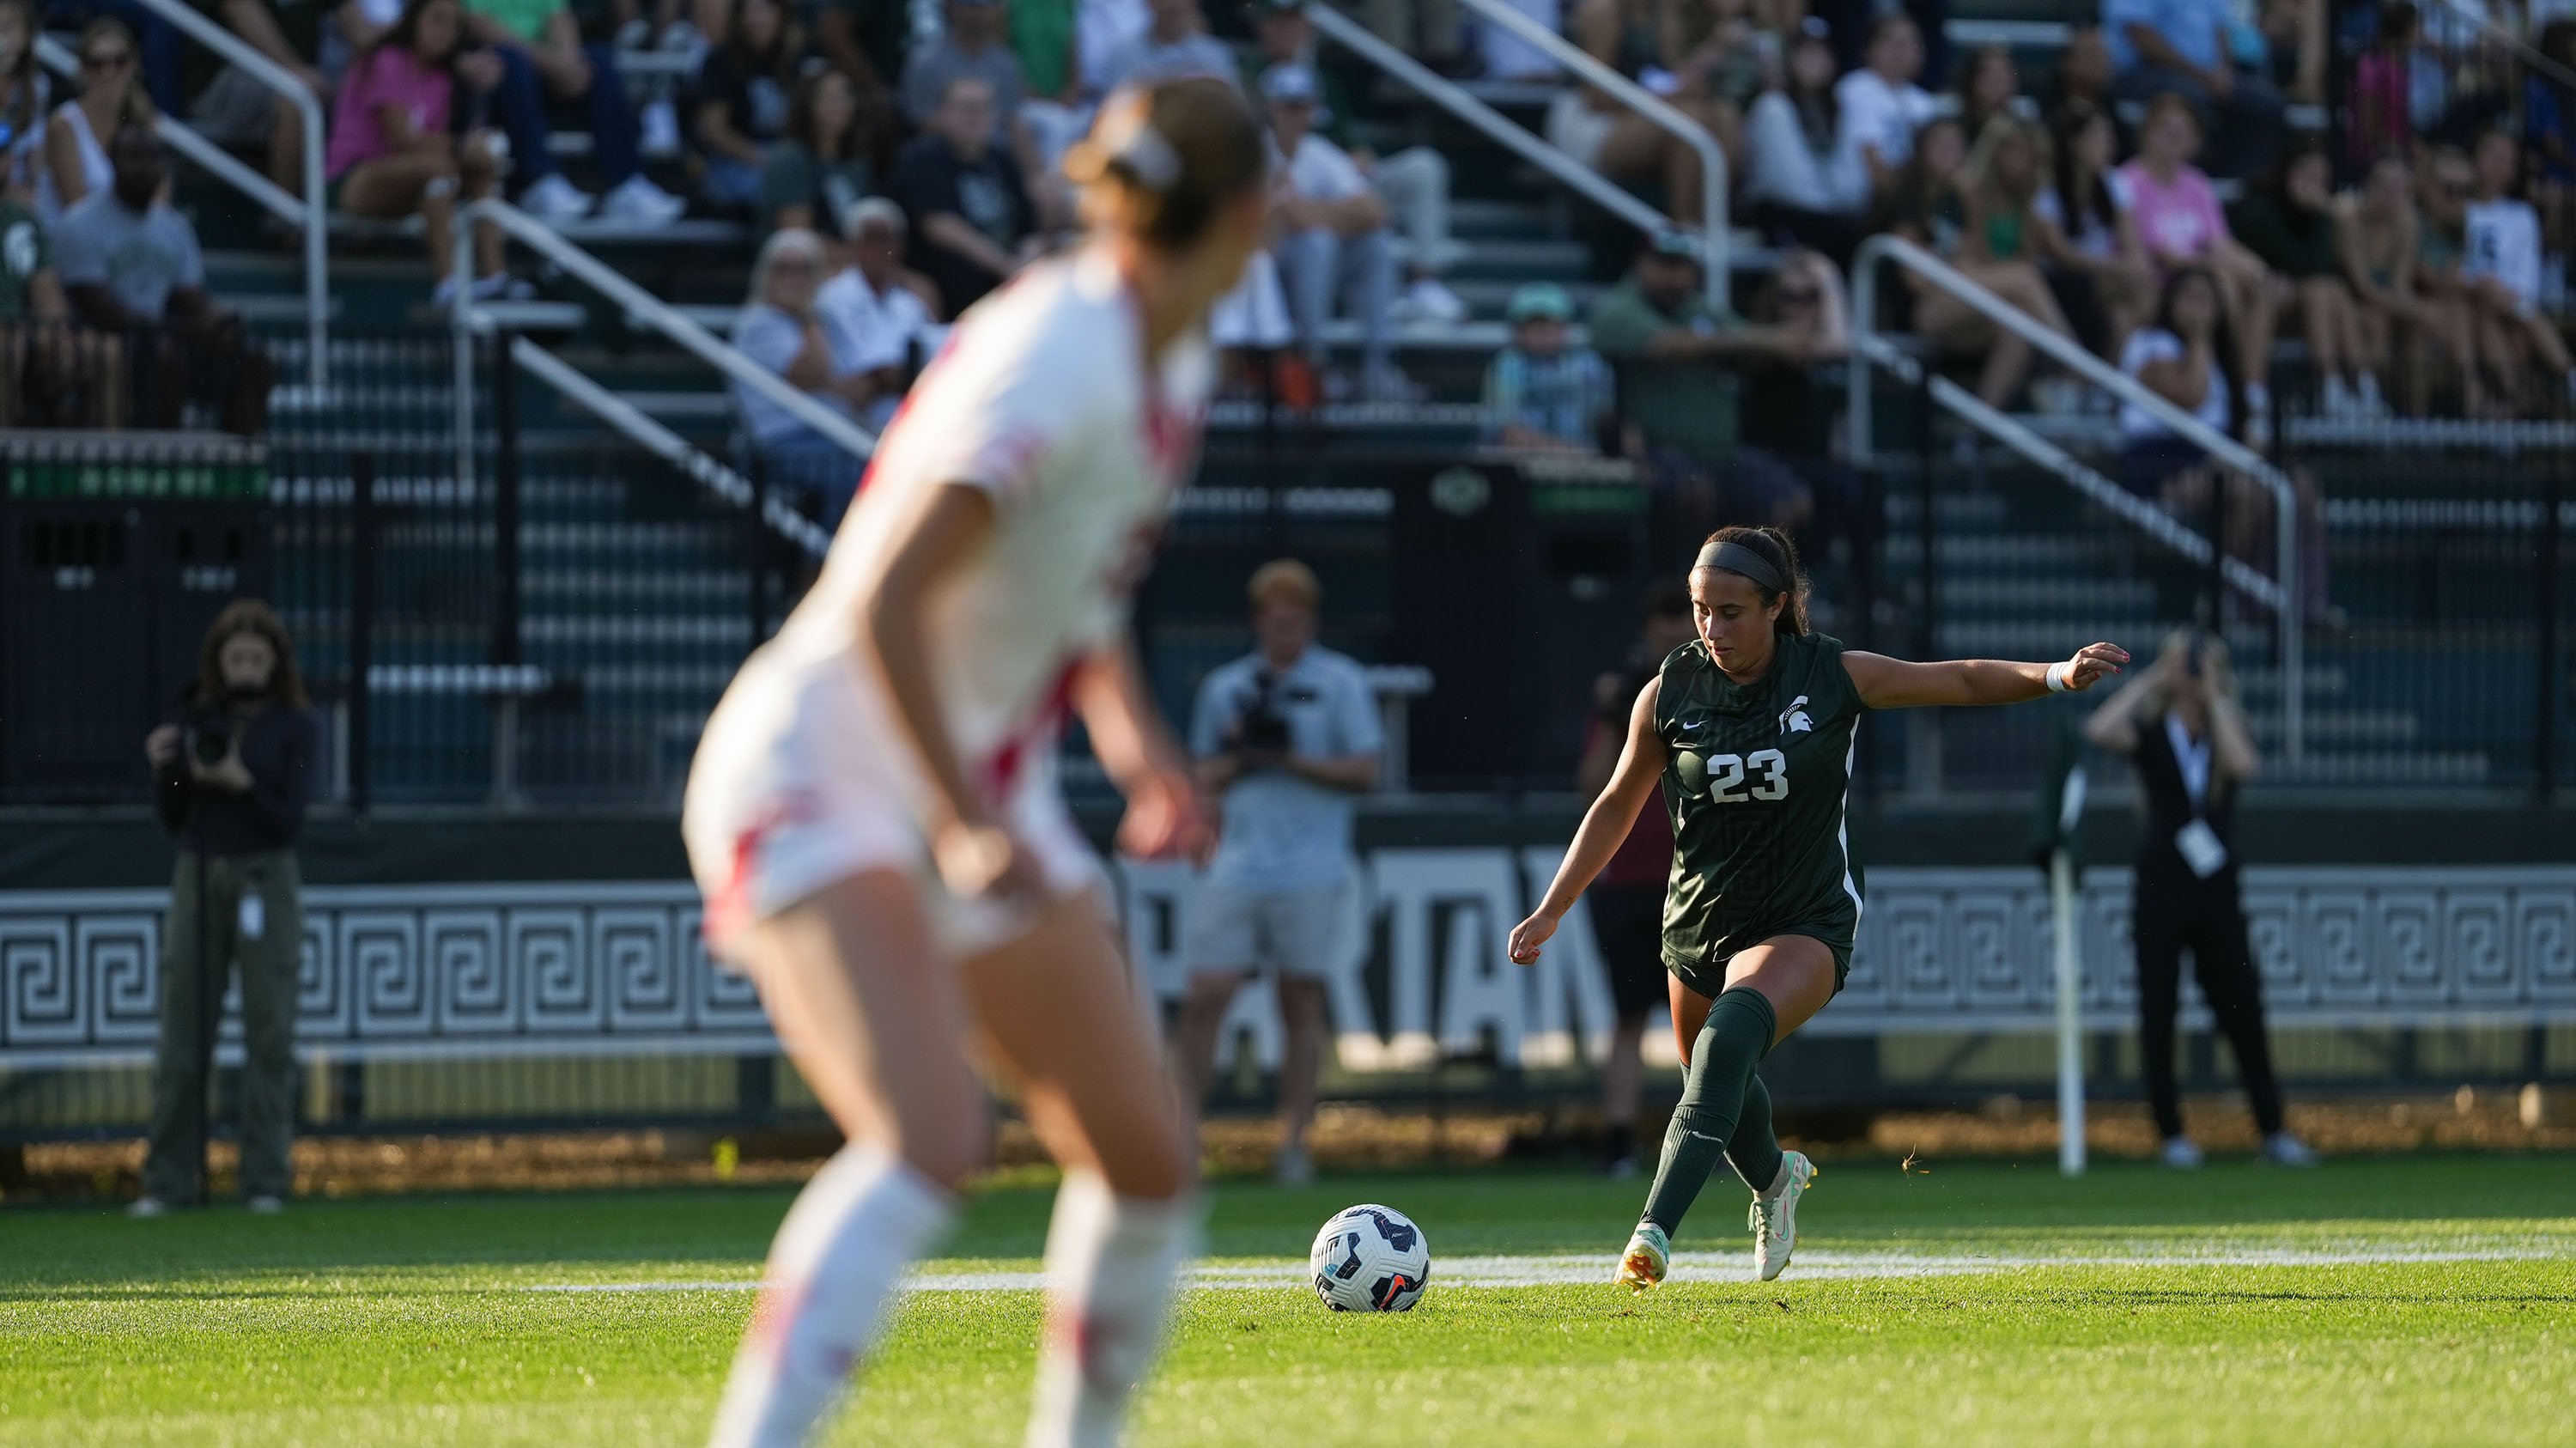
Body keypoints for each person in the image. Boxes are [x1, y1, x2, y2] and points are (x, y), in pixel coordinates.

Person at [682, 76, 1264, 1448]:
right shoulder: (1057, 350)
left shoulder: (1167, 356)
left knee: (1144, 1155)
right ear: (1253, 215)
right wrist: (959, 821)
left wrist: (1141, 754)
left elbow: (1080, 584)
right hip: (822, 762)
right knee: (931, 1135)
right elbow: (887, 596)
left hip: (965, 779)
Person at [1510, 526, 2127, 1287]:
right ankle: (1777, 1181)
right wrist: (1553, 907)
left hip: (1804, 914)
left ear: (1776, 608)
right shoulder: (1669, 691)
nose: (1713, 628)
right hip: (1700, 920)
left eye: (1732, 612)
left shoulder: (1829, 673)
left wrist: (2056, 675)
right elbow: (1614, 803)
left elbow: (1959, 679)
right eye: (1703, 610)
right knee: (1716, 1079)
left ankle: (1652, 1233)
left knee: (1730, 1038)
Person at [1172, 559, 1383, 1187]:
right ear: (1258, 622)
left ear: (1310, 622)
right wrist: (1242, 754)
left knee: (1301, 1000)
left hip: (1313, 867)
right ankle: (1181, 1138)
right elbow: (1199, 776)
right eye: (1274, 620)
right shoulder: (1227, 687)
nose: (1284, 631)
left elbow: (1366, 771)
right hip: (1236, 863)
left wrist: (1292, 758)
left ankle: (1293, 1144)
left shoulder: (1341, 682)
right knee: (1207, 993)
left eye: (1295, 621)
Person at [2082, 630, 2316, 1171]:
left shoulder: (2221, 725)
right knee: (2158, 1009)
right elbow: (2100, 729)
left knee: (2242, 1007)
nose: (2187, 670)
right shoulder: (2153, 729)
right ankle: (2171, 1134)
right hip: (2161, 887)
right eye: (2182, 662)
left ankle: (2272, 1129)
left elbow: (2245, 766)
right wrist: (2149, 679)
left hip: (2216, 891)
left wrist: (2212, 693)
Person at [130, 600, 319, 1219]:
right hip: (199, 870)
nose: (245, 667)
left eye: (257, 657)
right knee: (182, 1031)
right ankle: (169, 1182)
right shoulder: (194, 716)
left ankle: (264, 1179)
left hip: (266, 876)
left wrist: (243, 782)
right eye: (235, 656)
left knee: (270, 1033)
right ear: (219, 660)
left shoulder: (293, 726)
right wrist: (168, 773)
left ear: (274, 663)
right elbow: (174, 817)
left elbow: (288, 819)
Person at [1573, 581, 1698, 1177]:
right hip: (1628, 881)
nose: (1673, 636)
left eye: (1684, 623)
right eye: (1664, 624)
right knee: (1628, 1017)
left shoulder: (1715, 690)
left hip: (1699, 879)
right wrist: (1611, 713)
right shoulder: (1633, 695)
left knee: (1707, 1019)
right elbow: (1595, 785)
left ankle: (1715, 1133)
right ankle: (1619, 1139)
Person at [1588, 229, 1814, 547]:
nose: (1673, 275)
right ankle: (1684, 586)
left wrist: (1741, 340)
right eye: (1664, 264)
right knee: (1695, 490)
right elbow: (1668, 345)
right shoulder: (1619, 307)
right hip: (1653, 451)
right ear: (1641, 264)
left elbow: (1789, 346)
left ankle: (1765, 586)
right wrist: (1747, 339)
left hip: (1720, 452)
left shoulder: (1697, 308)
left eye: (1681, 265)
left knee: (1791, 499)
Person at [1244, 0, 1460, 321]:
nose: (1289, 30)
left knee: (1422, 168)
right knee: (1323, 236)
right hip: (1282, 184)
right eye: (1279, 22)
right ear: (1263, 27)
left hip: (1337, 183)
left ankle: (1424, 282)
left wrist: (1357, 159)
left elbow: (1354, 147)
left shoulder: (1324, 80)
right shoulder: (1249, 76)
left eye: (1295, 22)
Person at [57, 126, 275, 436]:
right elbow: (93, 304)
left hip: (165, 333)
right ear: (112, 161)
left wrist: (219, 320)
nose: (146, 168)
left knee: (252, 358)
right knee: (162, 353)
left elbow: (189, 298)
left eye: (154, 158)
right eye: (135, 158)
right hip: (108, 341)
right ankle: (166, 455)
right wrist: (161, 327)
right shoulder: (81, 222)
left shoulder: (174, 226)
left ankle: (237, 461)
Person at [327, 0, 510, 306]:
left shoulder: (442, 78)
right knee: (441, 167)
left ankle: (496, 278)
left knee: (479, 168)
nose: (445, 32)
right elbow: (402, 138)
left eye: (453, 26)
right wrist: (463, 146)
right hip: (351, 180)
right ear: (414, 19)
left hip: (413, 178)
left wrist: (475, 150)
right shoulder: (386, 59)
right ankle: (448, 282)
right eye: (437, 20)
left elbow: (432, 142)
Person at [2120, 94, 2281, 437]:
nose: (2174, 138)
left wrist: (2257, 269)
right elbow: (2164, 254)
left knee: (2259, 288)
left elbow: (2221, 243)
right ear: (2147, 133)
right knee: (2222, 283)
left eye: (2183, 131)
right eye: (2166, 129)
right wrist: (2221, 268)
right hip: (2157, 284)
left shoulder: (2197, 184)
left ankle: (2252, 393)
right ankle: (2227, 383)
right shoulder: (2128, 181)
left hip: (2201, 281)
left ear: (2194, 140)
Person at [462, 0, 690, 225]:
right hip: (498, 71)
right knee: (512, 62)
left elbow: (559, 15)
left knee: (600, 60)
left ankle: (625, 183)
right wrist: (553, 63)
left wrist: (569, 60)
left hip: (546, 67)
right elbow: (480, 27)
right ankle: (537, 181)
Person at [1263, 62, 1407, 403]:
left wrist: (1308, 212)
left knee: (1377, 246)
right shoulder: (1257, 149)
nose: (1295, 113)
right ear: (1271, 106)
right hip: (1267, 266)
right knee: (1319, 241)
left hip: (1315, 262)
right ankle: (1314, 363)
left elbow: (1374, 213)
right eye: (1288, 104)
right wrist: (1331, 216)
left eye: (1302, 104)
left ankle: (1378, 365)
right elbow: (1282, 216)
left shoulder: (1321, 153)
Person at [1546, 0, 1748, 224]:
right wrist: (1669, 96)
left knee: (1723, 115)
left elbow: (1672, 75)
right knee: (1689, 120)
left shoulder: (1662, 11)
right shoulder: (1602, 10)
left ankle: (1713, 225)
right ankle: (1684, 233)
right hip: (1589, 120)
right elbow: (1598, 97)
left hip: (1642, 109)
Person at [731, 227, 878, 522]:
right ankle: (824, 566)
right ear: (766, 274)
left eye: (805, 269)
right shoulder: (758, 323)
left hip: (828, 435)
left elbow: (860, 385)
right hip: (778, 444)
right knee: (859, 478)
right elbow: (809, 375)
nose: (794, 278)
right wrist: (810, 315)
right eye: (783, 269)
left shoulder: (821, 320)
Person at [2227, 143, 2383, 419]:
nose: (2314, 185)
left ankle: (2356, 386)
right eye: (2306, 174)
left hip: (2307, 303)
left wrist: (2321, 216)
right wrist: (2323, 214)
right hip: (2261, 303)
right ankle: (2329, 386)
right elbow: (2297, 263)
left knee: (2329, 290)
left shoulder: (2318, 215)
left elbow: (2321, 267)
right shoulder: (2257, 207)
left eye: (2320, 179)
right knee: (2322, 289)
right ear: (2287, 170)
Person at [889, 74, 1041, 316]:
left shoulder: (1001, 158)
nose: (975, 116)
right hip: (952, 278)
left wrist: (1027, 263)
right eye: (965, 108)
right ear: (942, 113)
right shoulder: (922, 158)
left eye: (983, 108)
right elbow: (939, 226)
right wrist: (1007, 267)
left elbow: (1030, 228)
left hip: (1007, 271)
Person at [2337, 149, 2471, 417]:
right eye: (2383, 185)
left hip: (2386, 303)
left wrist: (2417, 312)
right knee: (2378, 321)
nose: (2390, 193)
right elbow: (2361, 287)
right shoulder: (2347, 216)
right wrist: (2422, 310)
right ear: (2367, 184)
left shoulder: (2407, 220)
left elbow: (2399, 285)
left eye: (2398, 186)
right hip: (2347, 301)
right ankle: (2368, 400)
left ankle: (2416, 417)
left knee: (2416, 331)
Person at [2460, 129, 2574, 415]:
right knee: (2492, 314)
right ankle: (2549, 385)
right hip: (2470, 298)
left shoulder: (2522, 215)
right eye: (2494, 155)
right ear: (2475, 157)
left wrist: (2507, 299)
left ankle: (2513, 405)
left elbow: (2527, 275)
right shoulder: (2460, 209)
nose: (2501, 164)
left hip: (2510, 304)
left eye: (2508, 159)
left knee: (2511, 324)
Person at [2103, 0, 2283, 179]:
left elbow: (2219, 29)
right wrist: (2198, 75)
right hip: (2146, 71)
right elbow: (2139, 33)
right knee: (2192, 102)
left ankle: (2229, 183)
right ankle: (2184, 181)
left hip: (2205, 74)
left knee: (2266, 105)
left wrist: (2224, 71)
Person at [1741, 22, 1870, 263]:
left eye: (1820, 53)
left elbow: (1853, 182)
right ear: (1789, 59)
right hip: (1783, 211)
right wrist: (1830, 204)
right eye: (1805, 52)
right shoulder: (1773, 106)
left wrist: (1835, 205)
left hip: (1828, 214)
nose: (1813, 61)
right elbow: (1784, 182)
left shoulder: (1840, 111)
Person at [2034, 103, 2154, 356]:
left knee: (2125, 315)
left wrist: (2136, 265)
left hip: (2104, 276)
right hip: (2064, 279)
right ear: (2074, 143)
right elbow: (2060, 252)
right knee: (2119, 284)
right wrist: (2119, 268)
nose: (2109, 142)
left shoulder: (2114, 182)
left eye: (2109, 134)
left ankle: (2105, 384)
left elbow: (2132, 240)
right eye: (2099, 134)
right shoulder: (2047, 187)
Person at [815, 195, 945, 424]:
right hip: (850, 421)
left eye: (888, 239)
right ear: (853, 244)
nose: (881, 248)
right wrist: (893, 375)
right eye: (871, 238)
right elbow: (861, 380)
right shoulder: (831, 297)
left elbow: (928, 361)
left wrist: (892, 376)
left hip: (909, 417)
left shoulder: (910, 303)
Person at [185, 0, 329, 205]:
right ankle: (285, 225)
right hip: (224, 78)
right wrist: (293, 71)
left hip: (301, 79)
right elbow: (237, 6)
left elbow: (360, 27)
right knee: (296, 99)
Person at [39, 19, 155, 227]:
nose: (108, 72)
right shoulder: (64, 124)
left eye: (119, 61)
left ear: (133, 65)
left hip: (127, 244)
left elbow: (158, 204)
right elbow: (78, 211)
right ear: (83, 69)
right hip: (75, 247)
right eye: (97, 63)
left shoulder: (146, 122)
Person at [694, 0, 805, 210]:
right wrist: (762, 159)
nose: (756, 19)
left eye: (764, 10)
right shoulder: (720, 60)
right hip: (735, 161)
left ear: (782, 16)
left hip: (786, 156)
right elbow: (714, 130)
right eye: (749, 11)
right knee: (778, 189)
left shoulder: (795, 60)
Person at [1483, 280, 1613, 451]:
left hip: (1586, 463)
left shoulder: (1589, 364)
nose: (1542, 333)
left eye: (1549, 324)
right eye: (1533, 325)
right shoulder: (1506, 365)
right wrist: (1569, 451)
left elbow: (1607, 420)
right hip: (1520, 462)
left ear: (1564, 327)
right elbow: (1510, 434)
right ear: (1518, 331)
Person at [1833, 13, 1939, 208]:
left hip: (1907, 202)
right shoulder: (1857, 87)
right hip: (1859, 205)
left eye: (1910, 43)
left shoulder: (1925, 103)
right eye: (1892, 41)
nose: (1901, 51)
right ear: (1869, 49)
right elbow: (1871, 159)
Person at [759, 68, 878, 239]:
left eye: (846, 96)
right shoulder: (790, 159)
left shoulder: (858, 162)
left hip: (852, 260)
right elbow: (798, 236)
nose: (840, 105)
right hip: (803, 261)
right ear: (807, 105)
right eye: (829, 98)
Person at [0, 0, 46, 196]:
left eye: (7, 28)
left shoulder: (37, 86)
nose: (1, 37)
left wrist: (30, 190)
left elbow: (34, 155)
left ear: (26, 35)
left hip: (16, 192)